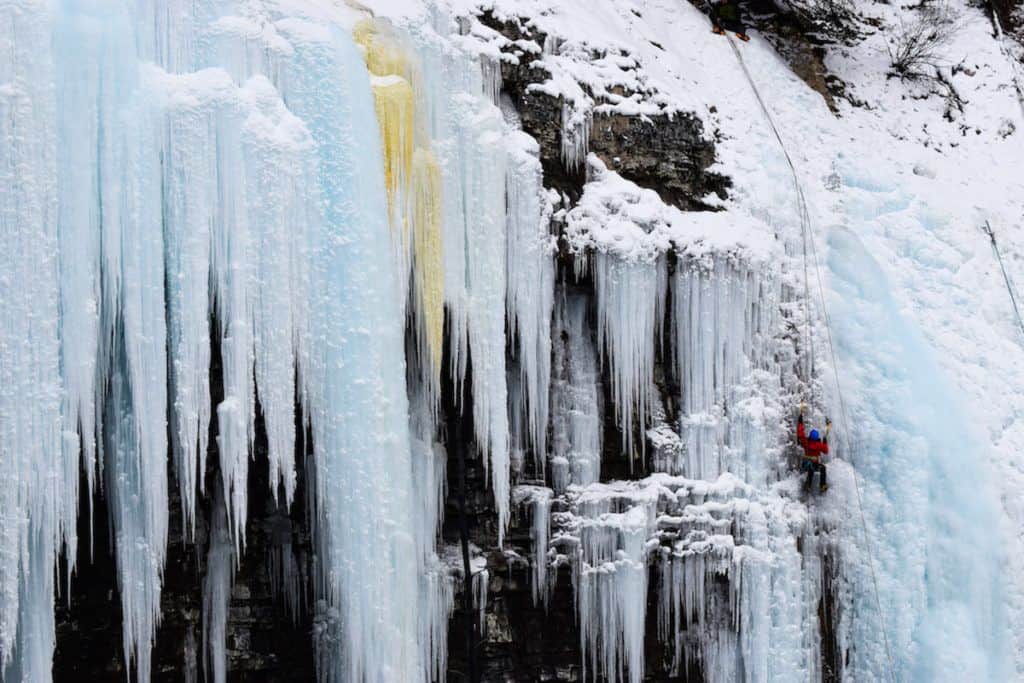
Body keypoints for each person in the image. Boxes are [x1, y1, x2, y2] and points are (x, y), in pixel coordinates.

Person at [797, 404, 830, 493]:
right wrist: (825, 442)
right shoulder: (819, 445)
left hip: (806, 464)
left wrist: (800, 421)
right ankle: (822, 485)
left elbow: (800, 434)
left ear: (810, 436)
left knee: (811, 469)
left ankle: (808, 485)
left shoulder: (806, 442)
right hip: (814, 464)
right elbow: (826, 451)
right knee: (822, 468)